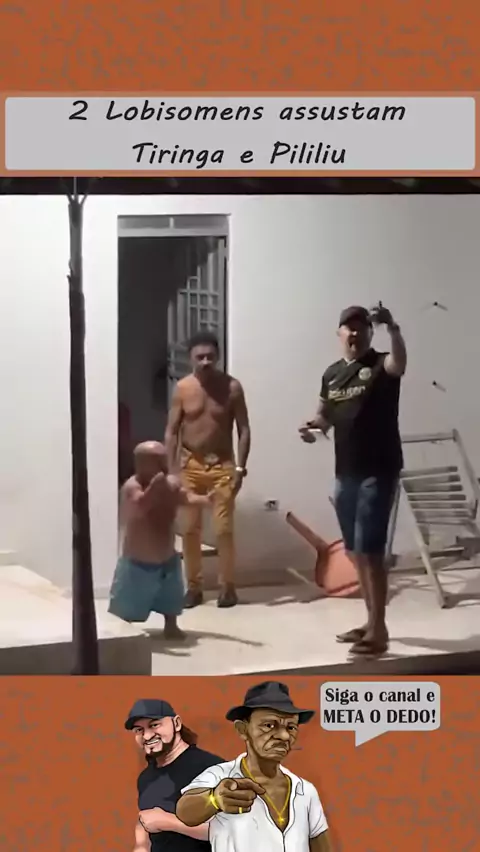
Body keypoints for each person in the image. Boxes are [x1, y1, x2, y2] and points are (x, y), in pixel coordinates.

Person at [299, 303, 407, 659]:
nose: (355, 332)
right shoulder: (332, 374)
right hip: (345, 473)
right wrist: (312, 428)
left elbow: (400, 364)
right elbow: (324, 416)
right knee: (354, 551)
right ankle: (371, 621)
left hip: (379, 470)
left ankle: (379, 631)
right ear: (340, 333)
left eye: (361, 327)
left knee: (371, 552)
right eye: (349, 327)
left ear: (369, 333)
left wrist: (393, 328)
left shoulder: (380, 364)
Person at [176, 681, 331, 852]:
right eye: (269, 726)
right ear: (243, 729)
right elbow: (185, 812)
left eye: (291, 727)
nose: (284, 735)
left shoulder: (305, 790)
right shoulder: (220, 775)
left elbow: (321, 846)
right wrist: (215, 799)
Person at [165, 330, 251, 610]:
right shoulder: (183, 388)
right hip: (190, 464)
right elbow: (171, 431)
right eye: (200, 357)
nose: (205, 362)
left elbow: (244, 429)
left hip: (222, 464)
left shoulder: (232, 387)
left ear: (218, 357)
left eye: (210, 357)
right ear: (191, 358)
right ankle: (194, 587)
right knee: (190, 529)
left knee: (223, 529)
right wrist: (172, 471)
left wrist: (240, 467)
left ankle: (228, 587)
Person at [109, 441, 213, 638]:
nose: (164, 465)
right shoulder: (132, 486)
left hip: (167, 558)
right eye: (157, 461)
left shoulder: (170, 483)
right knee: (128, 600)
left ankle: (171, 625)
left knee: (171, 597)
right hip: (138, 560)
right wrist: (153, 488)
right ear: (141, 464)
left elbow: (186, 497)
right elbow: (141, 505)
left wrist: (206, 500)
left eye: (164, 460)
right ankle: (122, 629)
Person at [125, 698, 225, 852]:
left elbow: (233, 828)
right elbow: (148, 818)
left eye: (154, 725)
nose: (147, 736)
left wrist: (169, 822)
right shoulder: (146, 777)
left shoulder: (211, 768)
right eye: (139, 730)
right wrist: (141, 844)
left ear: (177, 723)